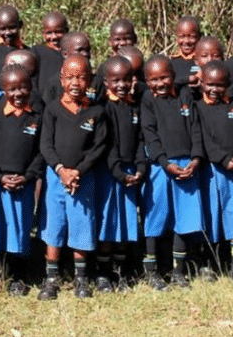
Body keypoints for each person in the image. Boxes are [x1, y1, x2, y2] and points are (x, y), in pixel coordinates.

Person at [38, 55, 108, 300]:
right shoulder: (53, 109)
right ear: (61, 79)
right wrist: (61, 170)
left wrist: (78, 171)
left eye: (81, 77)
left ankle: (81, 279)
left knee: (81, 224)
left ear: (89, 79)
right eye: (70, 77)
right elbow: (46, 144)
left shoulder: (96, 112)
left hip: (83, 179)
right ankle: (51, 279)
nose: (75, 82)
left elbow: (98, 147)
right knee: (54, 226)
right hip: (56, 176)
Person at [139, 55, 202, 289]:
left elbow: (195, 129)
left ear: (173, 76)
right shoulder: (147, 100)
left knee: (183, 220)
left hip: (187, 166)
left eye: (164, 77)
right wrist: (165, 163)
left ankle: (178, 272)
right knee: (155, 220)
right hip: (160, 168)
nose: (160, 83)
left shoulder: (185, 95)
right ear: (147, 81)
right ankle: (152, 271)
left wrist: (196, 159)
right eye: (154, 80)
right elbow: (150, 135)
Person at [195, 60, 233, 280]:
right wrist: (223, 159)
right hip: (212, 170)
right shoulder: (198, 108)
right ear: (201, 83)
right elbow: (203, 139)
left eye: (220, 85)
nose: (214, 90)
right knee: (212, 216)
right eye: (209, 84)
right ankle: (209, 265)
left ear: (228, 84)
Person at [0, 64, 44, 295]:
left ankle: (20, 276)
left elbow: (41, 154)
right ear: (3, 90)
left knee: (19, 229)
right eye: (12, 89)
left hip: (24, 184)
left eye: (23, 88)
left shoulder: (36, 119)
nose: (18, 93)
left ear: (31, 88)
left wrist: (27, 176)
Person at [96, 56, 145, 291]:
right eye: (115, 80)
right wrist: (118, 172)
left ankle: (122, 273)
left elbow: (138, 142)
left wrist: (140, 167)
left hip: (129, 172)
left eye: (126, 80)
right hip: (110, 173)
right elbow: (108, 144)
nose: (122, 85)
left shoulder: (133, 106)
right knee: (108, 224)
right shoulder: (105, 108)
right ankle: (104, 275)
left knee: (126, 225)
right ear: (106, 82)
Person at [0, 5, 26, 90]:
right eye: (3, 29)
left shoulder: (27, 53)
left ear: (20, 25)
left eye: (12, 28)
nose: (7, 33)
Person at [32, 11, 68, 91]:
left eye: (58, 32)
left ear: (66, 31)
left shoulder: (71, 54)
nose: (54, 37)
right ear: (43, 34)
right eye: (49, 33)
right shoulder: (37, 52)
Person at [170, 16, 201, 87]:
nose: (186, 41)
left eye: (191, 37)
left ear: (199, 37)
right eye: (182, 36)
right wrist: (188, 79)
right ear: (177, 39)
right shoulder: (171, 63)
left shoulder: (203, 62)